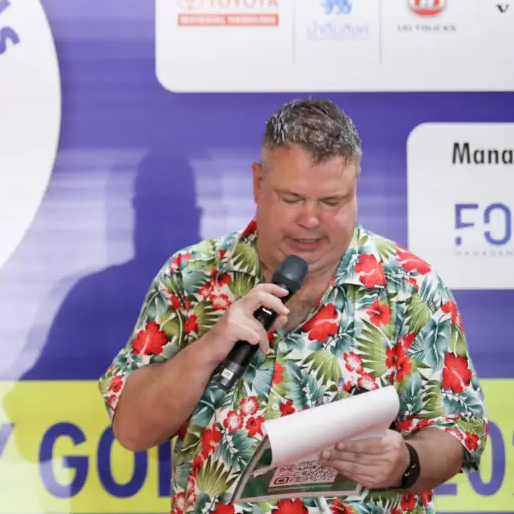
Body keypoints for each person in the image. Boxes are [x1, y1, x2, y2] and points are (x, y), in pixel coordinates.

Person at [99, 99, 488, 514]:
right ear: (258, 183)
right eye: (292, 198)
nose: (311, 219)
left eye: (331, 201)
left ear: (355, 188)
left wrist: (406, 463)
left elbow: (457, 433)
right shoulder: (191, 277)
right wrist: (209, 348)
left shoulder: (409, 287)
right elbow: (132, 431)